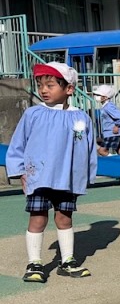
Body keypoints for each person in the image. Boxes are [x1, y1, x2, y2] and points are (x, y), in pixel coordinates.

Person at [8, 63, 97, 282]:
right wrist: (20, 171)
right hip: (38, 177)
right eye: (40, 85)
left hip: (67, 179)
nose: (43, 90)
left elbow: (87, 148)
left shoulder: (80, 118)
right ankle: (34, 264)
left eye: (50, 85)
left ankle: (67, 261)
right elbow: (18, 144)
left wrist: (86, 175)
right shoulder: (33, 114)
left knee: (64, 218)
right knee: (37, 218)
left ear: (69, 89)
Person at [93, 84, 120, 156]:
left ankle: (114, 161)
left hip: (112, 133)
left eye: (98, 95)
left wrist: (117, 125)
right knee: (119, 150)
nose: (96, 96)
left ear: (105, 97)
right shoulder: (106, 106)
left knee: (101, 151)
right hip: (112, 133)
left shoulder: (108, 106)